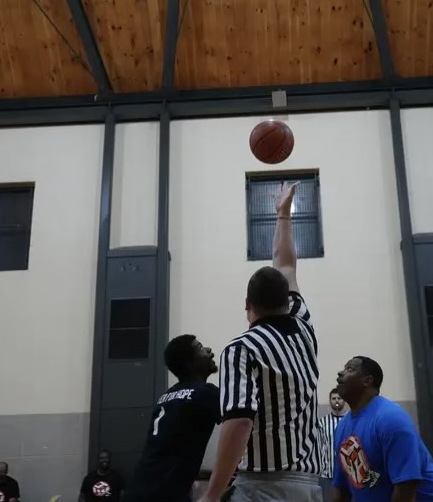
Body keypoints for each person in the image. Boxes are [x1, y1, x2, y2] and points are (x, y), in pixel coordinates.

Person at [201, 181, 322, 502]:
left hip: (263, 486)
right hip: (308, 486)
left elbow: (240, 420)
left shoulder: (242, 349)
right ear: (287, 301)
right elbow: (285, 264)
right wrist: (284, 215)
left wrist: (212, 495)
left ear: (247, 305)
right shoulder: (303, 324)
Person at [330, 356, 433, 502]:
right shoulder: (342, 428)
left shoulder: (390, 418)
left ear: (367, 381)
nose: (340, 373)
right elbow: (342, 490)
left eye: (349, 369)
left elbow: (406, 488)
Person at [126, 334, 220, 502]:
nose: (209, 351)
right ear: (189, 363)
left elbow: (171, 452)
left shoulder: (166, 397)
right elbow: (241, 424)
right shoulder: (206, 393)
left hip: (137, 490)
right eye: (200, 348)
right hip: (164, 495)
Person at [318, 387, 348, 501]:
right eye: (333, 398)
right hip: (328, 474)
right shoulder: (322, 422)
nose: (336, 401)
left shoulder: (351, 420)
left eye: (339, 398)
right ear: (330, 401)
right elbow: (320, 447)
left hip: (348, 475)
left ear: (344, 400)